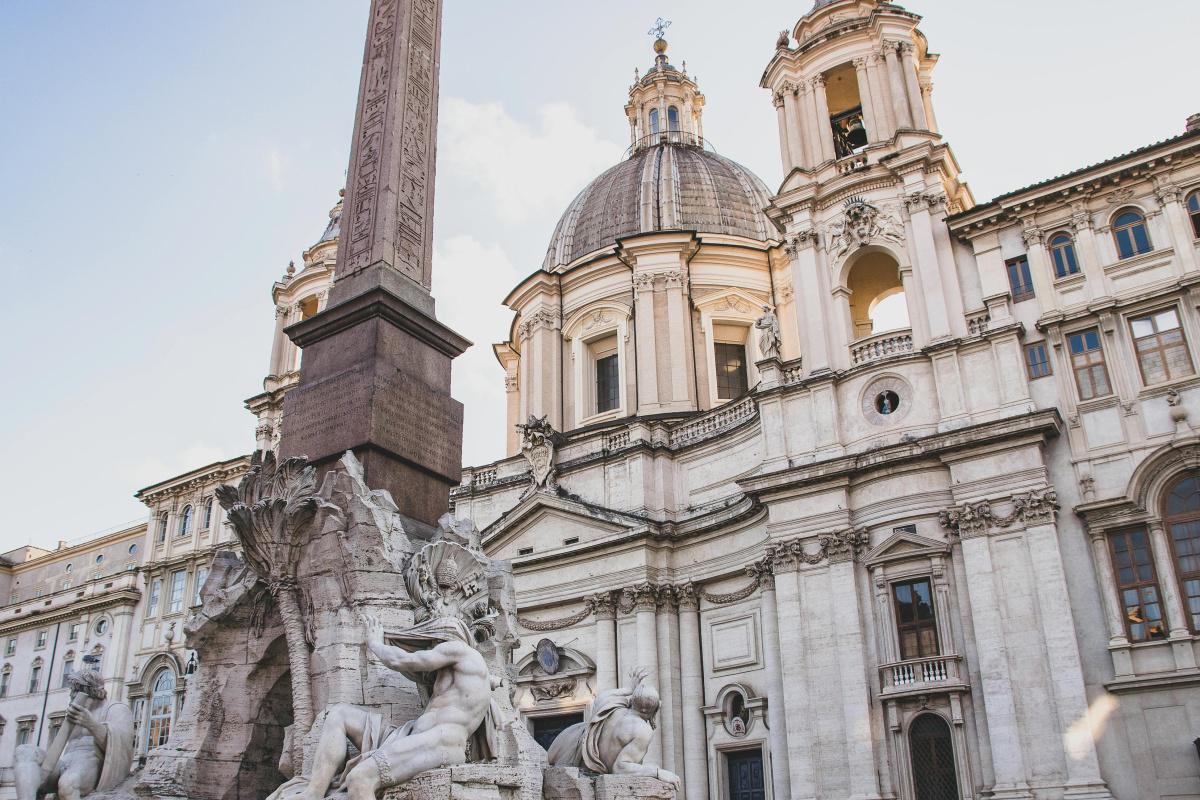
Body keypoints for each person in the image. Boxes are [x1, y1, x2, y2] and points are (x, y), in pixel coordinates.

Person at [268, 612, 496, 800]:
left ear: (443, 635)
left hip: (440, 743)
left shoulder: (458, 649)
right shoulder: (463, 672)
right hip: (410, 735)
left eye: (431, 642)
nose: (430, 648)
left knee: (360, 778)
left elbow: (403, 661)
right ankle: (313, 792)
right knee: (339, 715)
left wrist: (375, 643)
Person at [547, 668, 680, 787]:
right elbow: (620, 768)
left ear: (632, 700)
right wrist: (657, 772)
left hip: (564, 748)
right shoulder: (642, 730)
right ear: (655, 709)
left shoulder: (607, 701)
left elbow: (615, 693)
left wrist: (629, 689)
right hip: (583, 775)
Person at [13, 670, 134, 800]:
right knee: (24, 751)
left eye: (76, 691)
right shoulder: (75, 713)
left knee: (69, 783)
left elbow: (122, 747)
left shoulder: (116, 709)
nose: (72, 695)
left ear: (93, 692)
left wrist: (91, 724)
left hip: (91, 766)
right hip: (64, 763)